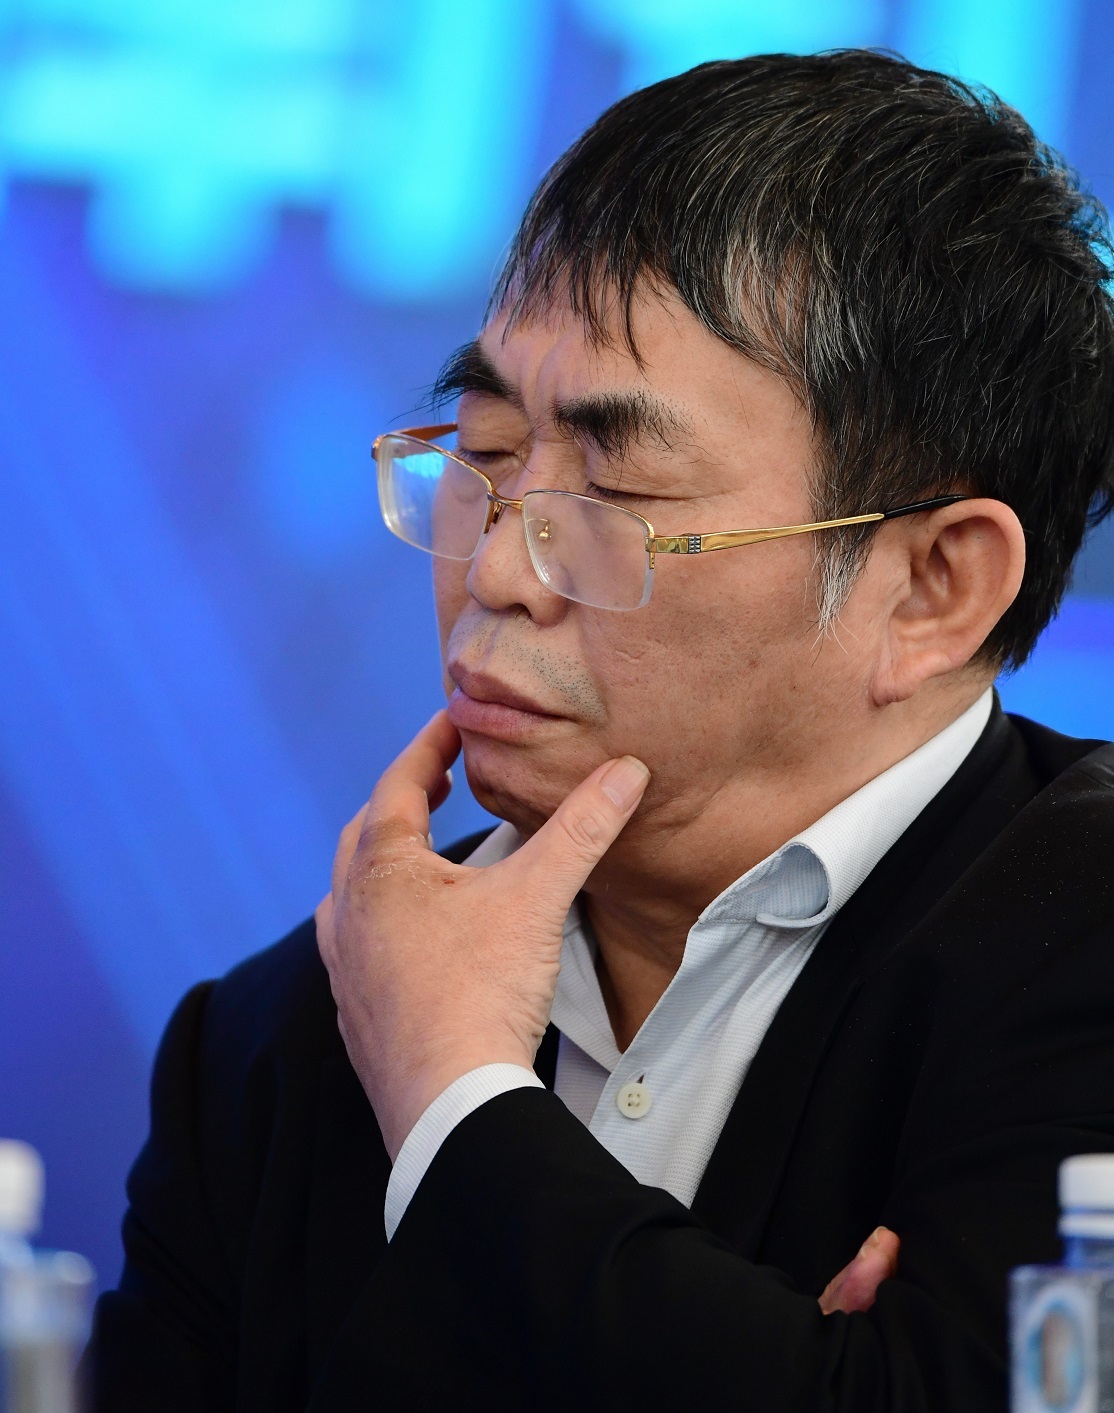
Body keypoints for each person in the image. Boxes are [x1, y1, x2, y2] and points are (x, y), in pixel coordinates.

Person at [88, 49, 1114, 1411]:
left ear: (933, 588)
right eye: (485, 456)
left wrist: (456, 1108)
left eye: (615, 495)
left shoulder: (1087, 946)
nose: (495, 569)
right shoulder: (281, 1037)